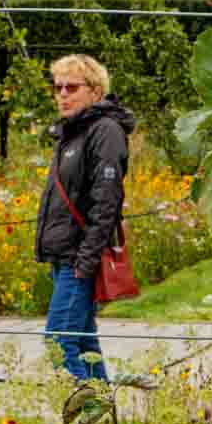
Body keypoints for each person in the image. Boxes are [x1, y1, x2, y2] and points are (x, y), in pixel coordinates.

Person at [33, 54, 137, 379]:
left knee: (59, 342)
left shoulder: (104, 131)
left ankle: (85, 415)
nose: (62, 94)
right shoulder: (72, 133)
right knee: (82, 344)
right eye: (58, 87)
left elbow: (106, 204)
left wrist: (85, 262)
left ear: (94, 91)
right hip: (64, 257)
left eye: (71, 87)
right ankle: (103, 418)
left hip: (79, 259)